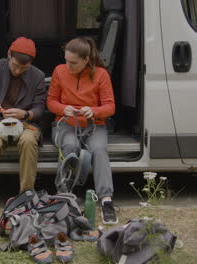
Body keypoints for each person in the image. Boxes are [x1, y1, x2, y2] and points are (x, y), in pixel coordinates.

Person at [47, 37, 118, 224]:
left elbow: (110, 107)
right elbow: (51, 102)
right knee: (70, 146)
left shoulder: (101, 75)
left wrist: (93, 111)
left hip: (95, 124)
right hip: (66, 123)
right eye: (66, 61)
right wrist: (63, 109)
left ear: (86, 60)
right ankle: (65, 195)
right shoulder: (59, 71)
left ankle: (106, 201)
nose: (68, 66)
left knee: (99, 150)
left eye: (73, 63)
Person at [0, 37, 46, 218]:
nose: (18, 71)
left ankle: (26, 196)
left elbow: (39, 107)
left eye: (24, 68)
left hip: (26, 124)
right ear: (8, 55)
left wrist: (25, 114)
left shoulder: (37, 76)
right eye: (15, 66)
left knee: (29, 141)